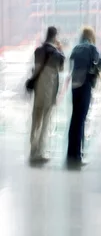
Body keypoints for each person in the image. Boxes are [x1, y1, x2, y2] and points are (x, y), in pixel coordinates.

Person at [67, 26, 101, 167]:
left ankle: (71, 153)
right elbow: (100, 64)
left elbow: (71, 65)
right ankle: (77, 156)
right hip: (85, 85)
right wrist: (100, 67)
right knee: (81, 120)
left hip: (74, 86)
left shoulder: (76, 48)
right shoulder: (91, 48)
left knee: (74, 119)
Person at [29, 26, 65, 163]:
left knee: (35, 121)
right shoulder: (57, 54)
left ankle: (32, 149)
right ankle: (40, 152)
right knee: (45, 123)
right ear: (55, 37)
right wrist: (60, 49)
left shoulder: (37, 51)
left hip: (38, 90)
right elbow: (61, 70)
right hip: (49, 91)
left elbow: (35, 69)